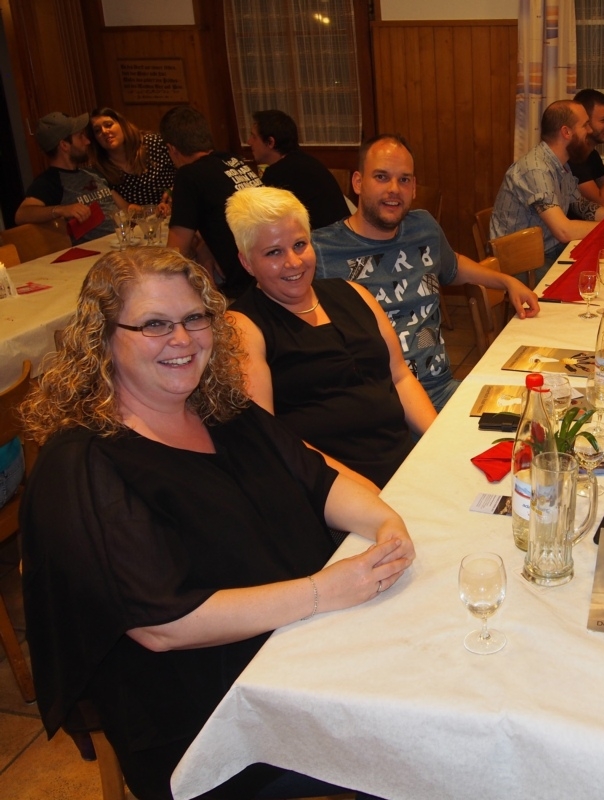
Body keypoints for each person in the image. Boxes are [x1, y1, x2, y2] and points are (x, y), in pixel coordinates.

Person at [19, 246, 414, 800]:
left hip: (297, 648)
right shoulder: (85, 463)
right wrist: (322, 591)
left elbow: (317, 478)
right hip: (206, 716)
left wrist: (386, 521)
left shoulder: (222, 409)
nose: (181, 339)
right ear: (103, 338)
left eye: (194, 318)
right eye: (154, 324)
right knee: (414, 747)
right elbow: (162, 624)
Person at [227, 186, 436, 491]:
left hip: (404, 465)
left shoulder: (354, 293)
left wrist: (437, 441)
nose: (293, 262)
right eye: (274, 252)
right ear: (247, 262)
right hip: (332, 488)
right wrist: (365, 493)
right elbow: (270, 437)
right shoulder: (243, 327)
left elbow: (400, 377)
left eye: (300, 245)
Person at [314, 134, 540, 411]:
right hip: (378, 407)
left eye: (404, 179)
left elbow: (452, 265)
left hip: (441, 390)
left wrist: (506, 281)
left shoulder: (423, 227)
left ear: (414, 188)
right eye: (382, 177)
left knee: (533, 411)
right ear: (358, 182)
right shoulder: (320, 250)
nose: (394, 189)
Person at [490, 100, 604, 275]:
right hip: (520, 264)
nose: (590, 130)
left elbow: (582, 206)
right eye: (585, 125)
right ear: (566, 132)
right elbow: (564, 231)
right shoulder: (536, 169)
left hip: (548, 251)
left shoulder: (561, 165)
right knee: (590, 279)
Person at [161, 105, 263, 300]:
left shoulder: (189, 175)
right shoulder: (233, 160)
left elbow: (175, 253)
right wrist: (205, 245)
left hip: (245, 289)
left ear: (172, 149)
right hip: (267, 272)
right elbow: (221, 216)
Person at [15, 111, 123, 244]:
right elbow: (21, 214)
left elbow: (125, 208)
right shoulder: (50, 181)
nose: (88, 141)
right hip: (99, 251)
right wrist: (61, 210)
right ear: (64, 145)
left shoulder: (92, 173)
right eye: (80, 136)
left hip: (124, 239)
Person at [248, 109, 349, 230]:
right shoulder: (302, 160)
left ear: (270, 142)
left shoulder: (279, 173)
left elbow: (266, 221)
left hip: (326, 238)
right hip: (342, 231)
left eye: (254, 137)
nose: (249, 142)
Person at [88, 106, 175, 215]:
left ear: (122, 124)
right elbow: (126, 208)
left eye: (108, 125)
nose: (104, 131)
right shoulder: (99, 169)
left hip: (178, 211)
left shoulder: (154, 143)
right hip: (141, 222)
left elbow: (187, 168)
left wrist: (175, 189)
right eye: (97, 131)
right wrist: (153, 212)